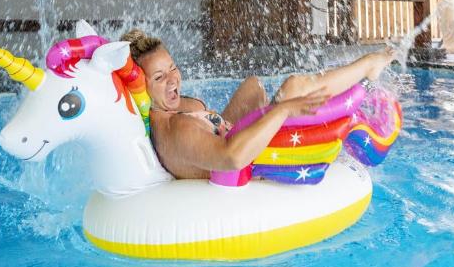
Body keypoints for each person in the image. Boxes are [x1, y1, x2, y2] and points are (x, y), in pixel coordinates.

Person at [119, 29, 397, 180]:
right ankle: (367, 69)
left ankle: (355, 88)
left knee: (253, 86)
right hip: (252, 159)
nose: (172, 79)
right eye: (159, 77)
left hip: (240, 138)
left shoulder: (176, 107)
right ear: (140, 86)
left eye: (173, 68)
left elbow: (215, 130)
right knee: (294, 88)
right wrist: (283, 110)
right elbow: (232, 158)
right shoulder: (175, 129)